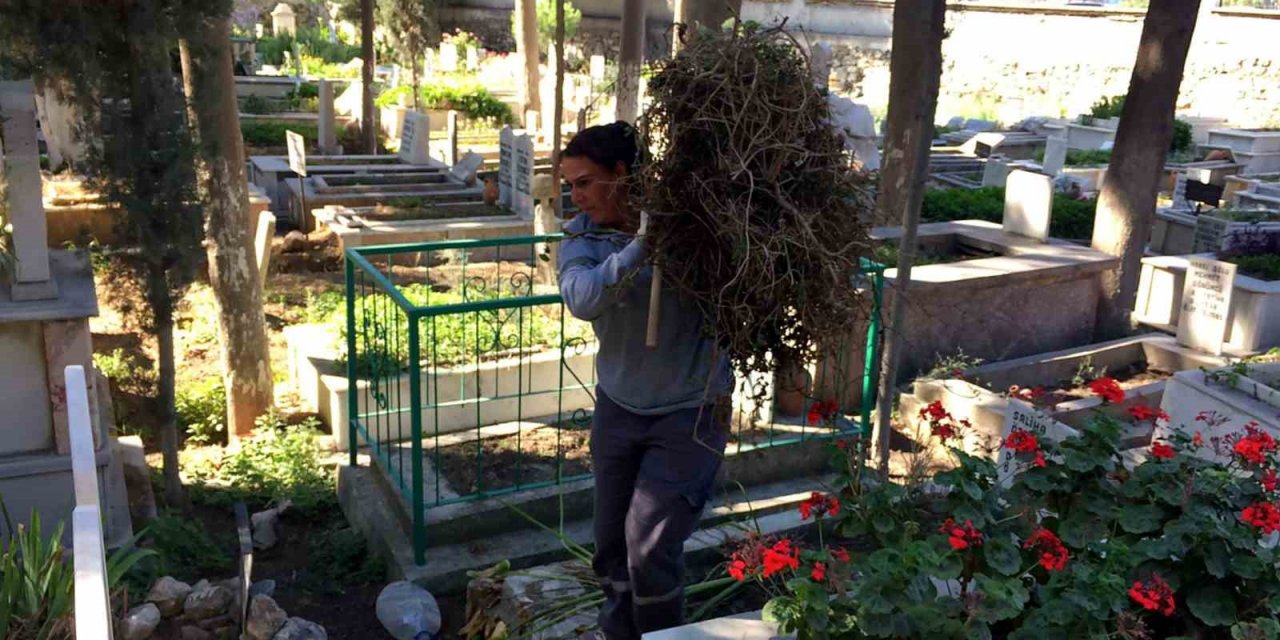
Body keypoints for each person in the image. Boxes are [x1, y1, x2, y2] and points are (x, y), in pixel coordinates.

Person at [558, 122, 733, 639]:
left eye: (585, 183)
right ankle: (619, 633)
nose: (576, 196)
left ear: (621, 173)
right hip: (619, 409)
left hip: (690, 412)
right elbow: (583, 299)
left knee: (650, 545)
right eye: (570, 185)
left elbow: (738, 276)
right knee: (611, 543)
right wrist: (640, 247)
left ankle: (660, 635)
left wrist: (669, 237)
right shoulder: (581, 239)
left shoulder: (693, 231)